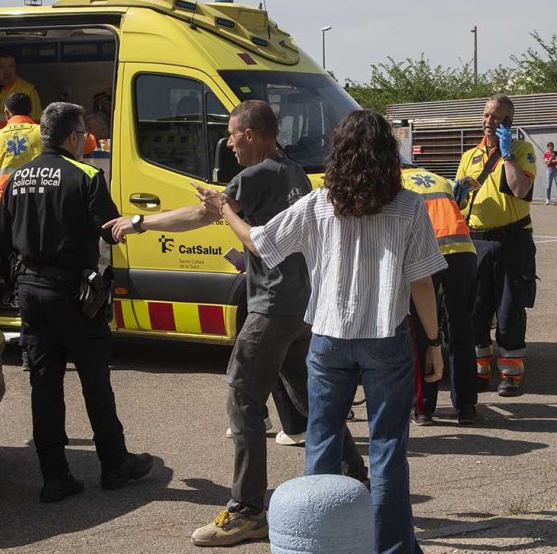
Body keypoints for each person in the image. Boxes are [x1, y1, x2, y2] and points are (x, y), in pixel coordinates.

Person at [103, 100, 366, 547]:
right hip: (302, 305)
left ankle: (247, 510)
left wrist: (139, 221)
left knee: (244, 398)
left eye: (232, 134)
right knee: (311, 398)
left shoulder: (256, 175)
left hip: (272, 308)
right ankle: (356, 478)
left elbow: (203, 215)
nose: (228, 142)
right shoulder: (294, 172)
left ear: (251, 134)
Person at [210, 109, 447, 554]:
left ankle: (318, 543)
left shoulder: (318, 204)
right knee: (388, 448)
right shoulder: (409, 206)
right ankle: (393, 547)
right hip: (385, 338)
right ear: (387, 154)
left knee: (321, 441)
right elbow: (421, 282)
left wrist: (224, 209)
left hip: (328, 338)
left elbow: (259, 243)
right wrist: (433, 342)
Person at [0, 102, 153, 503]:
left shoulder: (16, 178)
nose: (85, 141)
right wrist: (135, 224)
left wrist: (19, 282)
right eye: (83, 134)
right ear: (72, 137)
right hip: (75, 295)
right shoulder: (85, 175)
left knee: (43, 384)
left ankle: (54, 477)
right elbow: (112, 230)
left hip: (30, 292)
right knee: (95, 380)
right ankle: (115, 465)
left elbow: (0, 242)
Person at [455, 95, 537, 397]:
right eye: (487, 115)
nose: (490, 122)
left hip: (511, 241)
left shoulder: (521, 150)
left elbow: (520, 189)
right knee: (476, 310)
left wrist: (506, 156)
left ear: (509, 123)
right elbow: (459, 204)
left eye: (498, 117)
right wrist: (459, 194)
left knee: (509, 310)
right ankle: (480, 370)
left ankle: (511, 374)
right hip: (476, 239)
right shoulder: (469, 156)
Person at [406, 171, 479, 425]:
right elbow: (455, 205)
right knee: (462, 329)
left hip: (428, 252)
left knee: (424, 330)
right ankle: (466, 406)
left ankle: (423, 408)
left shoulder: (397, 182)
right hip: (463, 249)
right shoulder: (439, 179)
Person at [0, 48, 43, 136]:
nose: (7, 72)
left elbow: (36, 125)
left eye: (11, 66)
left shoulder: (28, 91)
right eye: (2, 67)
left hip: (14, 146)